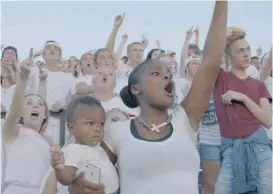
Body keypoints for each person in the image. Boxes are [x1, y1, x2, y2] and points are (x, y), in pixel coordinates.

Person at [69, 1, 227, 193]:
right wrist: (78, 187)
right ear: (136, 89)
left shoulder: (185, 119)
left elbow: (210, 62)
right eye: (155, 73)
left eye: (168, 73)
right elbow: (93, 173)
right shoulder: (116, 131)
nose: (167, 75)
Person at [214, 27, 272, 194]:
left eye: (248, 49)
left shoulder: (259, 86)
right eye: (240, 51)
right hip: (232, 149)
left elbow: (268, 121)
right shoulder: (220, 79)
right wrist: (222, 36)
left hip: (260, 147)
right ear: (228, 57)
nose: (246, 54)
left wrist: (244, 98)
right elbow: (210, 58)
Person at [2, 48, 52, 194]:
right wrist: (23, 79)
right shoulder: (13, 131)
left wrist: (43, 82)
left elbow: (40, 101)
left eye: (39, 105)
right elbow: (15, 110)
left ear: (45, 116)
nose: (35, 105)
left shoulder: (48, 141)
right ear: (21, 114)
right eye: (28, 103)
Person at [50, 96, 119, 194]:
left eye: (101, 124)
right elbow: (67, 179)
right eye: (90, 123)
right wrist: (59, 169)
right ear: (71, 128)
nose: (98, 128)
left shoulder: (98, 147)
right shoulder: (73, 150)